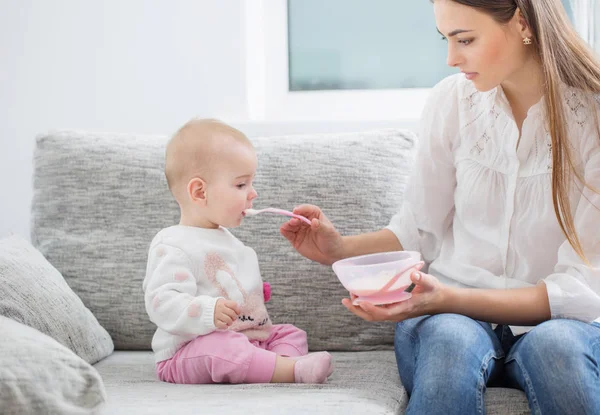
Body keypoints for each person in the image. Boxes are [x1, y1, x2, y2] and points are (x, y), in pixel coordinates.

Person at [280, 0, 600, 413]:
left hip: (557, 324)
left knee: (556, 347)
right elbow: (419, 231)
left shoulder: (592, 117)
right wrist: (338, 250)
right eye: (446, 39)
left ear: (523, 21)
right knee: (450, 342)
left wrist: (445, 298)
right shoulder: (452, 103)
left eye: (465, 39)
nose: (451, 58)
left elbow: (580, 292)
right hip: (451, 320)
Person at [143, 118, 333, 385]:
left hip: (246, 338)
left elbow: (232, 290)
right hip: (188, 352)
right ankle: (291, 372)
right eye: (241, 185)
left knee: (290, 334)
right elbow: (161, 302)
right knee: (222, 348)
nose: (253, 193)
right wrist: (209, 311)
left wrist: (254, 293)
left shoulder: (231, 241)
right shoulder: (173, 243)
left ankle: (275, 364)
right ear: (200, 192)